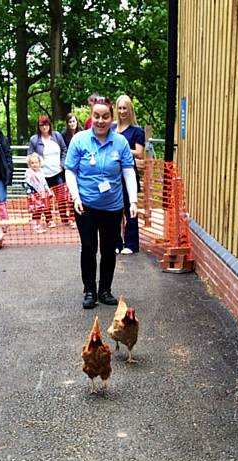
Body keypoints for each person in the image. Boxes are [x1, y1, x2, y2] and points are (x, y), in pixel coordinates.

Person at [65, 96, 137, 309]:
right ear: (91, 116)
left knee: (108, 249)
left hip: (112, 207)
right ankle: (89, 291)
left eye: (105, 116)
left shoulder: (121, 142)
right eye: (96, 116)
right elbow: (70, 170)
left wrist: (132, 201)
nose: (100, 121)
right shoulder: (79, 140)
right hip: (85, 205)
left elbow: (128, 172)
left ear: (111, 118)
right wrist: (75, 196)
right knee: (88, 247)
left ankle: (105, 289)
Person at [114, 95, 145, 254]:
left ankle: (131, 244)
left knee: (129, 207)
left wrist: (122, 149)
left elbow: (139, 153)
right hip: (113, 174)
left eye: (125, 108)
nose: (122, 111)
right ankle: (116, 243)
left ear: (130, 110)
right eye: (119, 108)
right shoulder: (113, 129)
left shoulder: (137, 131)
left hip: (128, 174)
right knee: (114, 209)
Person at [28, 115, 67, 227]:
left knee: (62, 197)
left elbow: (64, 149)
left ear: (50, 125)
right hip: (42, 175)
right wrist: (35, 169)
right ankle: (47, 220)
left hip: (57, 172)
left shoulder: (57, 136)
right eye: (42, 125)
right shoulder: (34, 140)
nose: (44, 127)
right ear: (38, 127)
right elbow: (30, 155)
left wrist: (62, 163)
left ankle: (65, 218)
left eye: (46, 124)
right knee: (43, 198)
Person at [23, 153, 54, 232]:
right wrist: (30, 193)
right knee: (37, 209)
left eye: (36, 162)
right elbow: (26, 184)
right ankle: (36, 223)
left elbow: (44, 183)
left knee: (47, 207)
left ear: (39, 163)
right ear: (29, 164)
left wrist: (48, 191)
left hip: (43, 193)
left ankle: (49, 221)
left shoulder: (41, 172)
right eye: (32, 163)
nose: (34, 165)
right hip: (35, 194)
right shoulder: (29, 173)